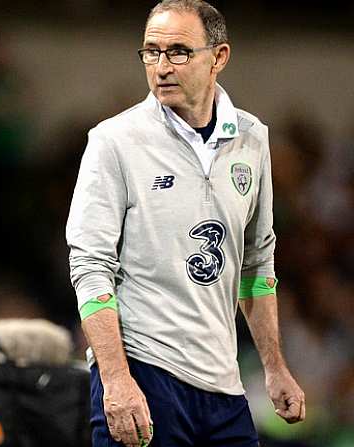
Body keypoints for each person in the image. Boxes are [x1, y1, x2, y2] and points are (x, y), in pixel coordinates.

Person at [66, 1, 305, 445]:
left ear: (219, 57)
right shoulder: (113, 142)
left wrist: (275, 369)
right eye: (151, 52)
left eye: (178, 51)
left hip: (224, 385)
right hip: (144, 373)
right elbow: (89, 267)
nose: (161, 66)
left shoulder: (253, 139)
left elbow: (257, 265)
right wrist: (116, 380)